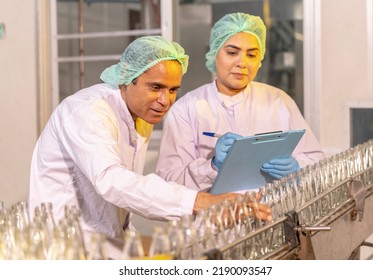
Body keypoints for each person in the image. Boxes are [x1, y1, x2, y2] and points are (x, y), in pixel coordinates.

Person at [28, 36, 271, 259]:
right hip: (64, 248)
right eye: (155, 87)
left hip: (108, 246)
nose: (165, 101)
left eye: (173, 90)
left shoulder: (140, 115)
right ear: (127, 77)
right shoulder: (88, 112)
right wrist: (201, 202)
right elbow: (111, 180)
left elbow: (127, 192)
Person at [156, 13, 324, 192]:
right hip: (213, 216)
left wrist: (298, 167)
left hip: (272, 214)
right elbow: (169, 182)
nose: (242, 63)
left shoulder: (279, 101)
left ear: (260, 60)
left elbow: (316, 161)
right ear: (214, 53)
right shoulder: (187, 108)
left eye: (251, 55)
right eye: (232, 52)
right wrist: (212, 166)